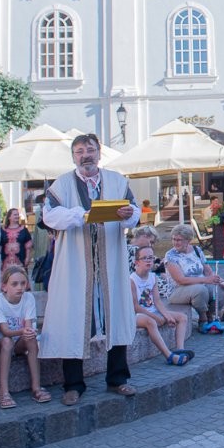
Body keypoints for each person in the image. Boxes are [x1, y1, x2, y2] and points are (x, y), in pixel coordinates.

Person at [40, 133, 140, 406]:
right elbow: (49, 216)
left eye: (91, 150)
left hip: (110, 262)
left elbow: (135, 212)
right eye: (80, 151)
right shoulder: (61, 185)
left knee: (116, 313)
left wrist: (127, 214)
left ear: (99, 153)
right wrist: (82, 215)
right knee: (73, 316)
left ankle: (118, 379)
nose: (86, 155)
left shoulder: (118, 181)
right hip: (76, 266)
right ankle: (73, 384)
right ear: (74, 156)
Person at [0, 265, 50, 408]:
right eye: (14, 284)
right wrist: (24, 331)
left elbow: (28, 327)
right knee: (6, 342)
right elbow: (5, 331)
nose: (20, 287)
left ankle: (36, 387)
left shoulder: (28, 298)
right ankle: (3, 392)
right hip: (0, 344)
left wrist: (28, 332)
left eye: (23, 283)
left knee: (31, 339)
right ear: (4, 287)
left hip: (18, 342)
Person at [164, 224, 224, 326]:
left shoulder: (196, 250)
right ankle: (202, 318)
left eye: (179, 240)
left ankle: (210, 314)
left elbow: (208, 272)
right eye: (174, 239)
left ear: (188, 240)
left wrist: (220, 281)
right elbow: (180, 280)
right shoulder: (170, 256)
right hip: (178, 290)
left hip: (200, 284)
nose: (175, 242)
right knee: (200, 290)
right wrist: (206, 280)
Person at [130, 246, 192, 365]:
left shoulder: (153, 277)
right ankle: (169, 356)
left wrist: (167, 316)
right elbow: (135, 307)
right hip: (137, 315)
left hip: (152, 311)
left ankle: (180, 349)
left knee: (182, 317)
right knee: (151, 322)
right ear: (137, 262)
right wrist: (155, 317)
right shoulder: (132, 279)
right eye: (145, 258)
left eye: (151, 258)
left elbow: (158, 301)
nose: (149, 261)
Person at [126, 226, 174, 302]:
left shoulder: (127, 246)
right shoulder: (135, 250)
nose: (151, 245)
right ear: (144, 236)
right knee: (172, 286)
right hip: (139, 286)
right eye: (151, 242)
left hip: (135, 283)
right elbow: (143, 274)